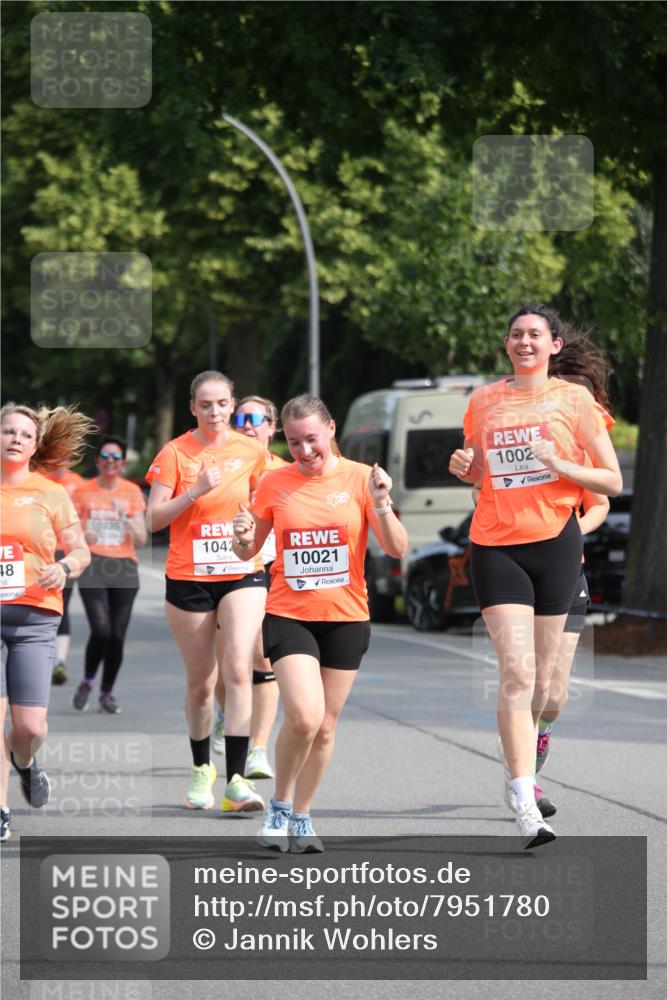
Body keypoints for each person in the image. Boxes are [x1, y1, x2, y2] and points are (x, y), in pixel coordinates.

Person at [449, 305, 621, 849]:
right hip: (496, 545)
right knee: (517, 676)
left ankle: (536, 739)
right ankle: (524, 797)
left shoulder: (575, 401)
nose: (525, 342)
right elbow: (482, 478)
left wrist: (561, 466)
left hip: (556, 545)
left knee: (549, 691)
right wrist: (467, 471)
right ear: (507, 345)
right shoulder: (483, 401)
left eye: (535, 335)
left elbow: (611, 480)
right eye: (516, 335)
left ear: (553, 345)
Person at [232, 394, 408, 853]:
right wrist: (244, 538)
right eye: (293, 443)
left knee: (326, 726)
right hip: (290, 612)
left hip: (347, 616)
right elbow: (246, 552)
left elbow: (396, 548)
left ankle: (304, 815)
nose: (305, 451)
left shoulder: (360, 479)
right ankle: (280, 806)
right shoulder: (274, 483)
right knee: (305, 716)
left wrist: (383, 503)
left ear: (331, 429)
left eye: (311, 439)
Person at [145, 371, 268, 815]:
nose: (214, 412)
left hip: (241, 568)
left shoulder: (252, 451)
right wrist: (194, 492)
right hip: (189, 576)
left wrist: (251, 523)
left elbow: (267, 505)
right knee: (202, 683)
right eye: (205, 405)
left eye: (221, 403)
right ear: (192, 408)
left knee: (238, 666)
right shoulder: (175, 453)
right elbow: (153, 520)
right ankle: (202, 769)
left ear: (232, 404)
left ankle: (236, 782)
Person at [1, 403, 92, 842]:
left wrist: (66, 567)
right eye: (7, 431)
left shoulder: (51, 492)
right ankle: (0, 809)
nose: (15, 439)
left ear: (35, 445)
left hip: (35, 615)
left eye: (24, 434)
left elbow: (80, 550)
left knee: (29, 726)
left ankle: (27, 761)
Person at [213, 395, 288, 779]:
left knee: (262, 657)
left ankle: (258, 749)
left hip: (273, 569)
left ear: (271, 427)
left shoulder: (286, 471)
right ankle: (227, 712)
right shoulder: (223, 467)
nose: (246, 423)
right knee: (227, 665)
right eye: (240, 416)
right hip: (229, 569)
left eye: (256, 417)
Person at [70, 437, 147, 714]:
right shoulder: (81, 491)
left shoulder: (132, 492)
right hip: (93, 564)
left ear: (123, 463)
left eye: (116, 457)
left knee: (116, 635)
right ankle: (88, 680)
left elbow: (141, 539)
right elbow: (68, 532)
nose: (110, 461)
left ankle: (106, 692)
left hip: (124, 567)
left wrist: (124, 518)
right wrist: (82, 535)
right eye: (105, 455)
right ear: (98, 460)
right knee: (101, 630)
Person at [43, 465, 86, 685]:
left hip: (66, 552)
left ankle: (59, 661)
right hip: (42, 550)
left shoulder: (78, 482)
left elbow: (86, 515)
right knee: (40, 604)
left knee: (62, 603)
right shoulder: (39, 477)